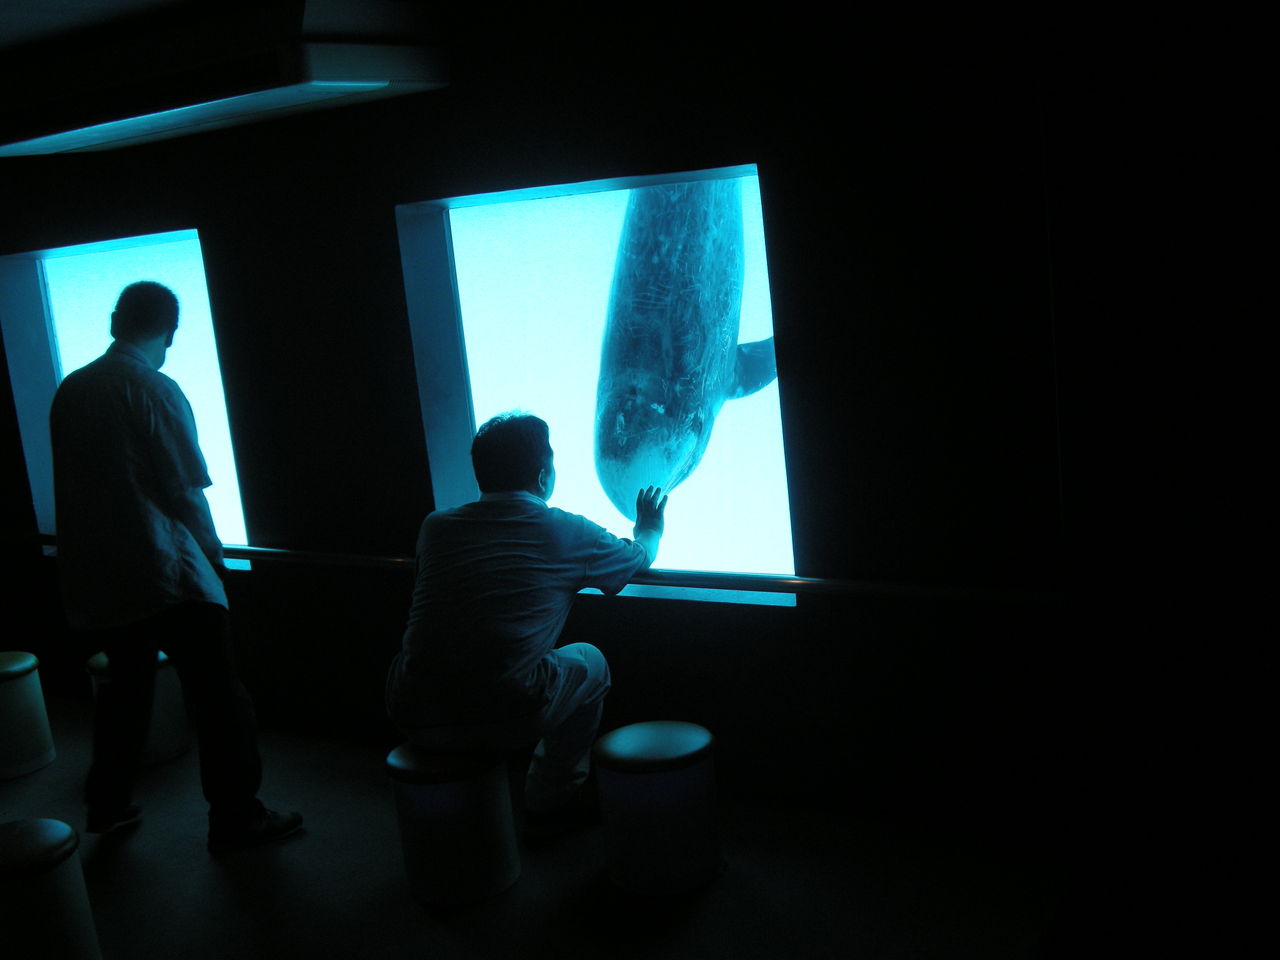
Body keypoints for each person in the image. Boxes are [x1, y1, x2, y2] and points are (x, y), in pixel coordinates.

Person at [49, 280, 302, 854]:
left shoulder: (73, 389)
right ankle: (236, 817)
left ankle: (107, 803)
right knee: (221, 700)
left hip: (104, 575)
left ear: (117, 319)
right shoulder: (153, 389)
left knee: (125, 692)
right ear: (169, 331)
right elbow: (186, 490)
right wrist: (213, 557)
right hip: (167, 572)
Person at [385, 412, 667, 819]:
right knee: (592, 662)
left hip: (410, 710)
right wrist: (649, 529)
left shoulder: (436, 527)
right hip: (501, 718)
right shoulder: (565, 530)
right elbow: (638, 560)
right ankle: (552, 796)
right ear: (542, 477)